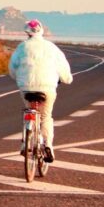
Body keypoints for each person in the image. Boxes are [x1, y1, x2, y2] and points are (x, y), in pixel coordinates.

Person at [7, 19, 72, 162]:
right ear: (42, 31)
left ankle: (26, 142)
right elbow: (64, 70)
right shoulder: (52, 48)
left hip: (26, 87)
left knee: (29, 111)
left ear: (27, 33)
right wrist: (66, 79)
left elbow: (12, 69)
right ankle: (47, 144)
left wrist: (19, 78)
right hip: (47, 87)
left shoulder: (22, 47)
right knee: (45, 117)